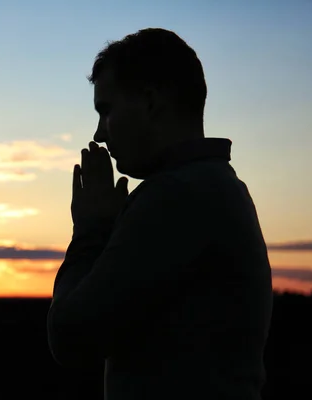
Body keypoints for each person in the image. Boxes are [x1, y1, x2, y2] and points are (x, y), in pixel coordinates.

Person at [46, 28, 273, 400]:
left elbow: (70, 338)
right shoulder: (218, 186)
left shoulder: (176, 196)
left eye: (106, 110)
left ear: (151, 102)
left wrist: (90, 229)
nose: (99, 134)